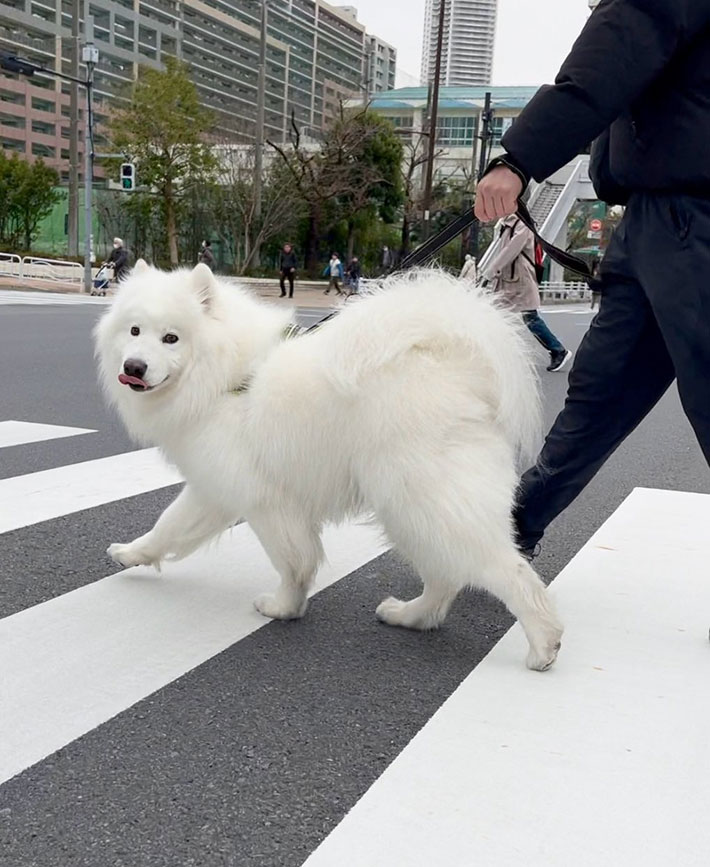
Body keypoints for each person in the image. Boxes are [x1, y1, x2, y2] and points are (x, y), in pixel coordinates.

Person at [474, 0, 710, 558]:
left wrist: (517, 159)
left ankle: (505, 534)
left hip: (690, 216)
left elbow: (604, 61)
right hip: (657, 218)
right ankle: (506, 535)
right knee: (600, 395)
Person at [482, 215, 572, 373]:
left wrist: (490, 272)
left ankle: (558, 350)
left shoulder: (521, 224)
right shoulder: (509, 223)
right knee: (501, 317)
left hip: (520, 280)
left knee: (528, 317)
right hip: (511, 280)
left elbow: (510, 251)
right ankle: (502, 357)